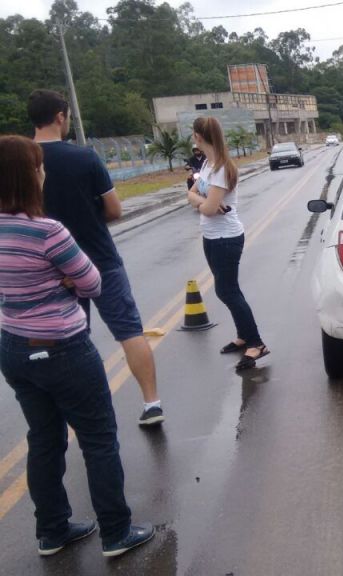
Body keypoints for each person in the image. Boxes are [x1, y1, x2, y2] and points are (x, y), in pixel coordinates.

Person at [0, 135, 154, 557]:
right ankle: (116, 532)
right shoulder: (48, 231)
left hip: (13, 347)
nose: (43, 171)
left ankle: (52, 531)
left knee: (43, 439)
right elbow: (92, 282)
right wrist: (64, 279)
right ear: (29, 176)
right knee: (99, 439)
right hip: (64, 348)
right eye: (38, 166)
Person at [28, 89, 164, 426]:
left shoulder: (20, 162)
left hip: (51, 270)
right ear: (61, 116)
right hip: (99, 260)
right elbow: (115, 209)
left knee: (69, 342)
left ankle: (78, 415)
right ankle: (152, 404)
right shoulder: (85, 158)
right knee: (129, 331)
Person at [186, 116, 269, 370]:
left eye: (193, 133)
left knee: (227, 291)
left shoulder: (221, 168)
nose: (192, 137)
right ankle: (244, 336)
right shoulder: (209, 165)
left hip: (226, 239)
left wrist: (201, 201)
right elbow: (192, 194)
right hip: (212, 237)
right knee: (228, 290)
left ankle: (256, 343)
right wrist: (199, 199)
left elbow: (209, 207)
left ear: (199, 137)